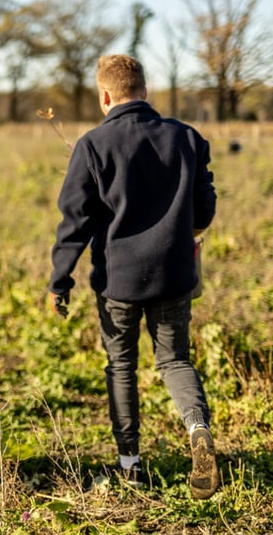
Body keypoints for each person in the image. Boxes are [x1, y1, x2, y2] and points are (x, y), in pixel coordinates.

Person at [48, 54, 219, 499]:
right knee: (175, 360)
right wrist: (186, 232)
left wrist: (59, 279)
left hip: (118, 282)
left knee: (121, 365)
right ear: (144, 91)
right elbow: (205, 208)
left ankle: (131, 465)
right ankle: (198, 430)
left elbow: (75, 222)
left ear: (105, 96)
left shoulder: (92, 145)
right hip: (176, 274)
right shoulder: (186, 137)